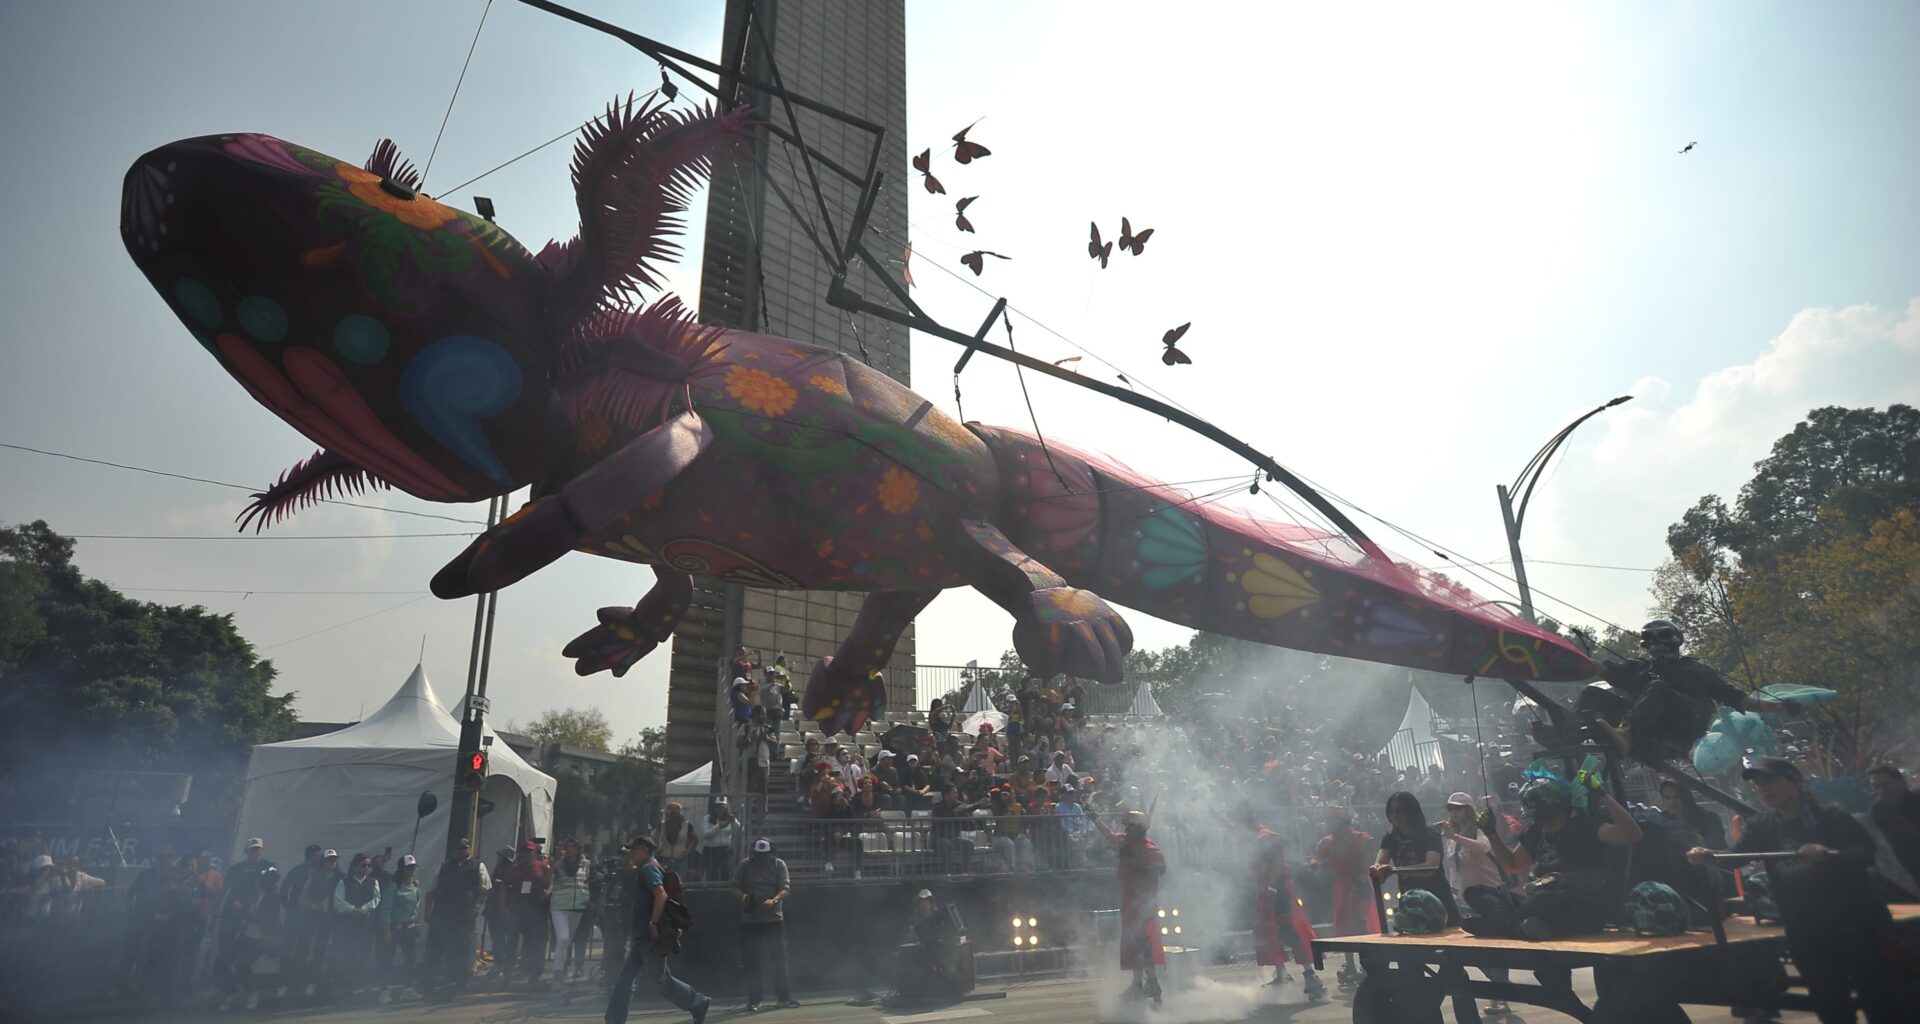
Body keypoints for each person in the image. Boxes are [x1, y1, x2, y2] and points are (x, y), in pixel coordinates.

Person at [1687, 758, 1909, 1024]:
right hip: (1806, 930)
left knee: (1878, 997)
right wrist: (1710, 855)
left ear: (1795, 781)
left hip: (1853, 924)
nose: (1764, 789)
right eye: (1759, 785)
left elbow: (1865, 853)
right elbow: (1736, 856)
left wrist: (1827, 855)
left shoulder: (1831, 816)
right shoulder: (1762, 824)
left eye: (1771, 781)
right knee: (1830, 1003)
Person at [1586, 620, 1797, 761]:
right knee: (1591, 694)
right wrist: (1574, 660)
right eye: (1650, 641)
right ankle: (1567, 730)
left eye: (1662, 640)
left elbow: (1741, 700)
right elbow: (1604, 670)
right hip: (1650, 730)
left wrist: (1781, 707)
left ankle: (1626, 732)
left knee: (1658, 688)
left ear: (1675, 643)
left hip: (1684, 729)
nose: (1655, 647)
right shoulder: (1639, 669)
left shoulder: (1697, 670)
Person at [1472, 776, 1642, 940]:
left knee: (1540, 901)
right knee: (1476, 893)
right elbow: (1512, 864)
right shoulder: (1535, 833)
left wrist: (1603, 796)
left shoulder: (1585, 826)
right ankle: (1521, 926)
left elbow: (1631, 835)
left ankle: (1508, 925)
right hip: (1539, 905)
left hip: (1582, 908)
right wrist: (1491, 833)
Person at [605, 835, 710, 1024]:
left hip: (648, 935)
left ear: (645, 850)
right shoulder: (650, 868)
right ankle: (614, 1019)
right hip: (642, 936)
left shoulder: (648, 869)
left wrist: (653, 923)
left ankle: (697, 1001)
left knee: (661, 980)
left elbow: (660, 895)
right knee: (626, 980)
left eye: (634, 850)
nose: (631, 854)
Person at [1438, 792, 1512, 1015]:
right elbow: (1454, 869)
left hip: (1487, 897)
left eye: (1457, 808)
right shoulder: (1453, 837)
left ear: (1468, 810)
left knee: (1492, 947)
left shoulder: (1479, 831)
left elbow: (1483, 848)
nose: (1453, 813)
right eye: (1450, 809)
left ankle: (1501, 993)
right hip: (1463, 898)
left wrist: (1454, 837)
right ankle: (1500, 989)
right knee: (1472, 950)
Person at [1244, 814, 1324, 1000]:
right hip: (1267, 890)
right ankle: (1282, 975)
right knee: (1267, 933)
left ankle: (1310, 976)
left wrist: (1271, 888)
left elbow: (1278, 863)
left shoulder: (1266, 837)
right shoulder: (1253, 838)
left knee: (1288, 931)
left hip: (1277, 891)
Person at [1094, 809, 1165, 1005]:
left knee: (1142, 945)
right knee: (1133, 945)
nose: (1127, 831)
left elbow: (1158, 872)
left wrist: (1146, 904)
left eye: (1131, 827)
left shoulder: (1149, 849)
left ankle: (1150, 983)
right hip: (1131, 901)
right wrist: (1095, 819)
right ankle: (1140, 985)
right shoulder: (1128, 844)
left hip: (1143, 903)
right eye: (1126, 827)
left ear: (1140, 829)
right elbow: (1109, 836)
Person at [1371, 790, 1459, 927]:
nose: (1394, 816)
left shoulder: (1430, 834)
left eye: (1399, 811)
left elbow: (1431, 867)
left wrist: (1394, 870)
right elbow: (1380, 862)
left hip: (1437, 899)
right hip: (1410, 901)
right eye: (1391, 811)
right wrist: (1378, 869)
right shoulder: (1390, 838)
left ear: (1410, 811)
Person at [731, 838, 799, 1010]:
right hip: (751, 920)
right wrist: (745, 898)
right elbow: (734, 887)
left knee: (779, 959)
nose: (762, 858)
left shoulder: (779, 865)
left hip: (773, 919)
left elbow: (785, 888)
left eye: (765, 855)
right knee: (751, 961)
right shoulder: (745, 865)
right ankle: (754, 1000)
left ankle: (783, 997)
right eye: (759, 855)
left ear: (771, 853)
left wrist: (774, 900)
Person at [426, 836, 490, 998]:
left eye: (464, 848)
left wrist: (477, 906)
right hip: (444, 913)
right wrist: (428, 910)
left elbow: (485, 888)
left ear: (469, 849)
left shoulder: (477, 865)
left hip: (465, 914)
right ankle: (440, 979)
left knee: (463, 947)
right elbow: (431, 889)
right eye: (458, 848)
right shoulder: (445, 866)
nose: (461, 851)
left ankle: (462, 980)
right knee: (442, 946)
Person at [217, 867, 281, 1010]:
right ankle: (230, 992)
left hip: (261, 940)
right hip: (247, 937)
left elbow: (263, 920)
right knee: (224, 960)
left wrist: (242, 910)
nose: (255, 883)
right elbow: (248, 917)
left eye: (257, 880)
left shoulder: (272, 899)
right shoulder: (254, 896)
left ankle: (252, 992)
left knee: (242, 965)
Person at [495, 841, 552, 985]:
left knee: (534, 942)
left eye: (530, 851)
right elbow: (504, 887)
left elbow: (551, 881)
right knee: (512, 943)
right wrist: (503, 906)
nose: (527, 854)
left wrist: (547, 892)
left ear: (534, 853)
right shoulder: (514, 869)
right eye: (525, 851)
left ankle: (534, 972)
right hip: (516, 910)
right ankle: (508, 973)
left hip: (535, 910)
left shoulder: (542, 867)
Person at [330, 853, 383, 996]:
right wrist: (352, 909)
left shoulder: (373, 882)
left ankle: (359, 980)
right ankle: (343, 982)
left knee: (362, 953)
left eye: (368, 866)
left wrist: (363, 910)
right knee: (345, 953)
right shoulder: (344, 881)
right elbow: (338, 901)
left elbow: (376, 900)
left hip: (365, 923)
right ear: (354, 867)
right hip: (347, 923)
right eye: (363, 865)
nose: (366, 868)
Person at [549, 838, 598, 981]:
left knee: (569, 941)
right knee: (563, 939)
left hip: (578, 907)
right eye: (567, 847)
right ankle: (557, 974)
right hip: (559, 906)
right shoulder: (557, 864)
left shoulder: (586, 864)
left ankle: (568, 968)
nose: (569, 849)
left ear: (578, 849)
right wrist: (554, 861)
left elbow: (592, 879)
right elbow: (547, 880)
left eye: (572, 847)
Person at [1866, 765, 1920, 891]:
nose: (1881, 791)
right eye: (1875, 786)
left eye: (1886, 785)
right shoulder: (1877, 812)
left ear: (1900, 782)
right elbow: (1896, 847)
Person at [379, 856, 424, 1003]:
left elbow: (416, 906)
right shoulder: (393, 886)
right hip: (395, 928)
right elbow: (386, 909)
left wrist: (416, 922)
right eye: (409, 868)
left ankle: (407, 989)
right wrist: (386, 929)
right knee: (387, 959)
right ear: (402, 869)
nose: (412, 871)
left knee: (410, 959)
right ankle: (383, 991)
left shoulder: (415, 885)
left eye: (413, 868)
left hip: (409, 927)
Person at [698, 801, 741, 882]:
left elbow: (739, 830)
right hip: (711, 850)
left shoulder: (729, 818)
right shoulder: (707, 818)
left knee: (726, 871)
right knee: (711, 873)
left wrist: (734, 821)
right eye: (717, 807)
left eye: (722, 808)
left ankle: (724, 890)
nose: (719, 810)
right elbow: (706, 835)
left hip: (725, 850)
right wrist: (719, 827)